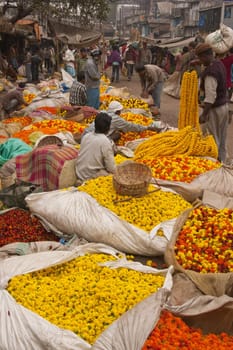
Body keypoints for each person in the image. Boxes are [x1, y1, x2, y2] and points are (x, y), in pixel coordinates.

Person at [195, 43, 229, 163]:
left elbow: (210, 96)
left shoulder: (210, 72)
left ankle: (215, 164)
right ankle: (223, 161)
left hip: (214, 109)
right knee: (222, 136)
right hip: (224, 106)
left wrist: (204, 114)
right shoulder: (218, 64)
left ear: (206, 55)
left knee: (212, 138)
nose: (200, 60)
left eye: (200, 58)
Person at [82, 100, 157, 141]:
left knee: (116, 130)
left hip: (86, 135)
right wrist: (147, 127)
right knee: (117, 135)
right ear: (117, 111)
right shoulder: (116, 119)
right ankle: (109, 140)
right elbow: (131, 126)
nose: (121, 112)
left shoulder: (103, 112)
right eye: (120, 110)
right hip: (95, 140)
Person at [76, 112, 116, 182]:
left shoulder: (87, 136)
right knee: (114, 177)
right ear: (108, 128)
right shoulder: (105, 141)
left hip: (79, 172)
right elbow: (111, 168)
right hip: (91, 176)